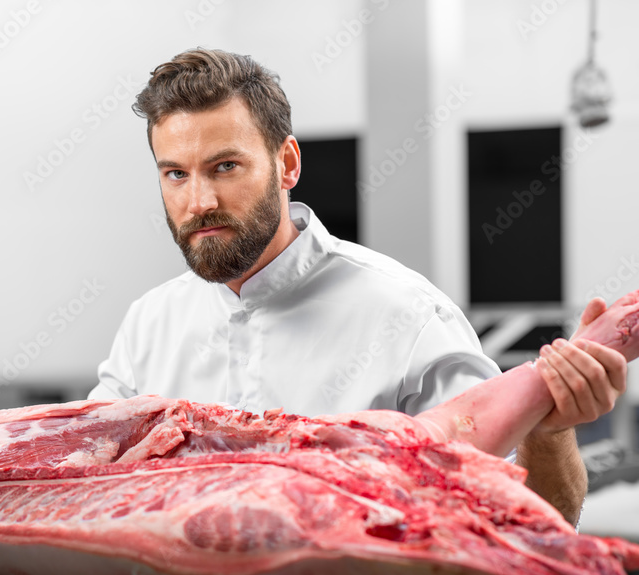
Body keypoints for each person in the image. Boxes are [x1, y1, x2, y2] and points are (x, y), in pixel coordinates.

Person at [89, 48, 628, 525]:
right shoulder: (148, 323)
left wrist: (550, 431)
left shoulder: (410, 316)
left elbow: (528, 523)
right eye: (175, 174)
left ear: (287, 164)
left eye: (225, 166)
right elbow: (82, 486)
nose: (199, 201)